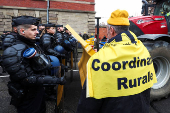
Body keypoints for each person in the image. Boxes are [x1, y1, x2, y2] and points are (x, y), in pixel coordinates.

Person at [76, 9, 157, 113]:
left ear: (111, 30)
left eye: (106, 29)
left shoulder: (99, 60)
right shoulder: (143, 50)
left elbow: (88, 105)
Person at [2, 16, 66, 113]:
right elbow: (27, 79)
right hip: (27, 96)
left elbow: (42, 61)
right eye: (33, 29)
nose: (37, 32)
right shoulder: (13, 51)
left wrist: (58, 66)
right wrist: (56, 80)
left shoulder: (32, 44)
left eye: (36, 29)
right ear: (22, 31)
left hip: (38, 91)